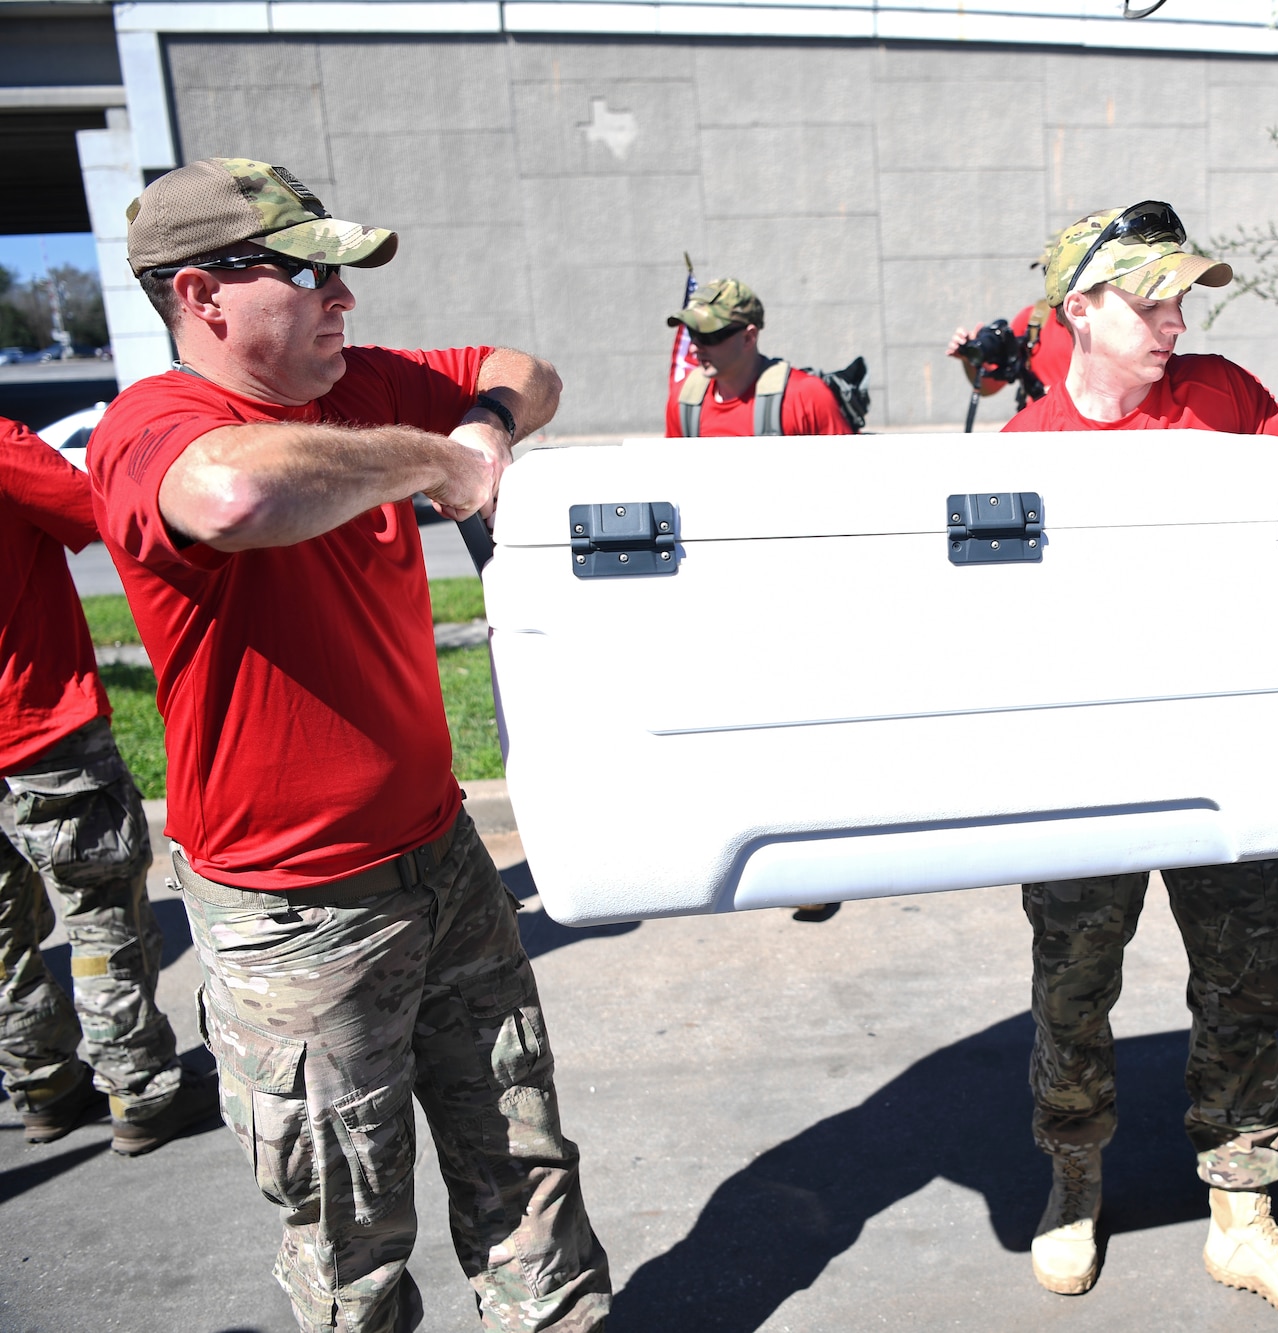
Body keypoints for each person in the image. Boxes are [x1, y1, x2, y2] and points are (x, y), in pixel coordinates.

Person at [90, 157, 611, 1331]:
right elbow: (231, 497)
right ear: (202, 295)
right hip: (295, 911)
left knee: (524, 1162)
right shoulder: (151, 426)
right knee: (349, 1234)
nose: (343, 298)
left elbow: (527, 370)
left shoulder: (356, 383)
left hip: (440, 857)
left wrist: (477, 421)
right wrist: (432, 458)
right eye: (309, 270)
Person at [1003, 201, 1278, 1327]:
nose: (1173, 318)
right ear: (1080, 310)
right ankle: (1072, 1182)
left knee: (1247, 985)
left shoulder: (1221, 395)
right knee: (1072, 992)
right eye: (1148, 299)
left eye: (1180, 297)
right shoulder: (1025, 451)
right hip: (1090, 771)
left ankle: (1242, 1213)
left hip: (1225, 756)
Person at [0, 415, 218, 1155]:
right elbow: (95, 511)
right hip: (37, 727)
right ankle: (140, 1087)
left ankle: (42, 1085)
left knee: (2, 936)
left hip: (28, 731)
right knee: (100, 917)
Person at [665, 278, 855, 438]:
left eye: (709, 335)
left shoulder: (805, 397)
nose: (694, 347)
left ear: (749, 337)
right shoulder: (684, 400)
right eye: (691, 333)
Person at [944, 286, 1075, 421]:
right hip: (1038, 429)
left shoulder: (1096, 323)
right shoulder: (1034, 319)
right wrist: (971, 358)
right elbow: (987, 388)